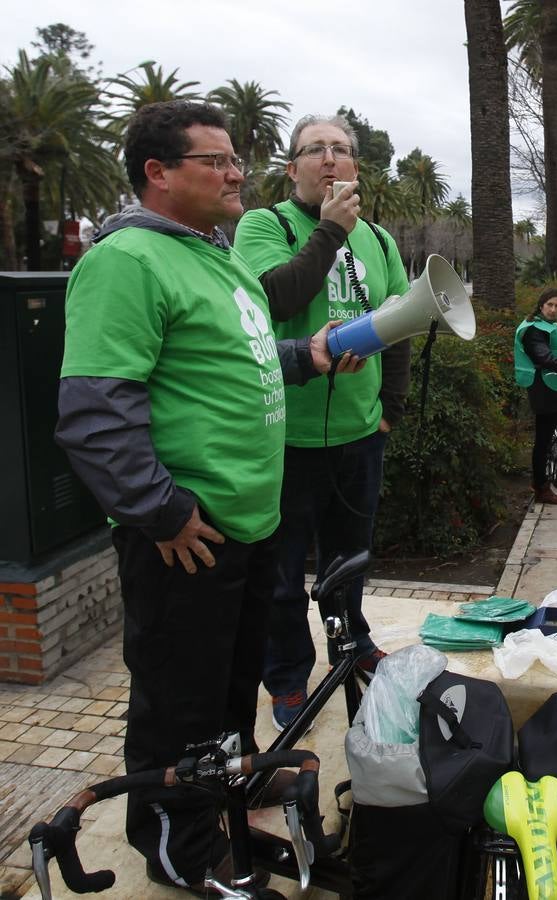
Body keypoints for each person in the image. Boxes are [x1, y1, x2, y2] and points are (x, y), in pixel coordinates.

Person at [54, 100, 356, 891]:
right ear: (158, 173)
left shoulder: (213, 257)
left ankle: (219, 821)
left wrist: (308, 355)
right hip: (187, 534)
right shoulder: (126, 262)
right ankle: (174, 850)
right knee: (178, 708)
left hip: (246, 529)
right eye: (215, 161)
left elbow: (239, 360)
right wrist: (161, 510)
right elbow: (94, 411)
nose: (236, 173)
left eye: (236, 160)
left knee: (227, 702)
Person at [234, 113, 411, 729]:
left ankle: (352, 642)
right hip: (286, 438)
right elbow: (276, 297)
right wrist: (330, 232)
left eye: (341, 149)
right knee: (283, 573)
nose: (329, 159)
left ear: (356, 167)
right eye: (316, 150)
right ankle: (287, 677)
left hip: (359, 436)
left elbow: (401, 323)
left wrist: (391, 409)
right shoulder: (266, 224)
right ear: (293, 169)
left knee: (351, 556)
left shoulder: (381, 240)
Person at [514, 287, 557, 505]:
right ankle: (540, 487)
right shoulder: (533, 330)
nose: (554, 309)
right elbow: (544, 357)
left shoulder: (549, 325)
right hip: (543, 391)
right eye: (550, 305)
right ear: (541, 305)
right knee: (543, 439)